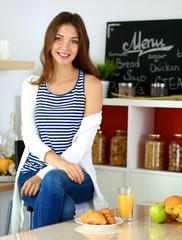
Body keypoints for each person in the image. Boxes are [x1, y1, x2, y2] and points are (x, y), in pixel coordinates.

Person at [10, 11, 107, 233]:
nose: (65, 47)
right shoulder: (31, 84)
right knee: (65, 208)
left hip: (76, 175)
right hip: (30, 173)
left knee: (54, 178)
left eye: (73, 41)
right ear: (49, 41)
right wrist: (50, 167)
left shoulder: (91, 85)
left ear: (80, 46)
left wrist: (46, 173)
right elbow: (30, 137)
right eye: (59, 38)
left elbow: (84, 143)